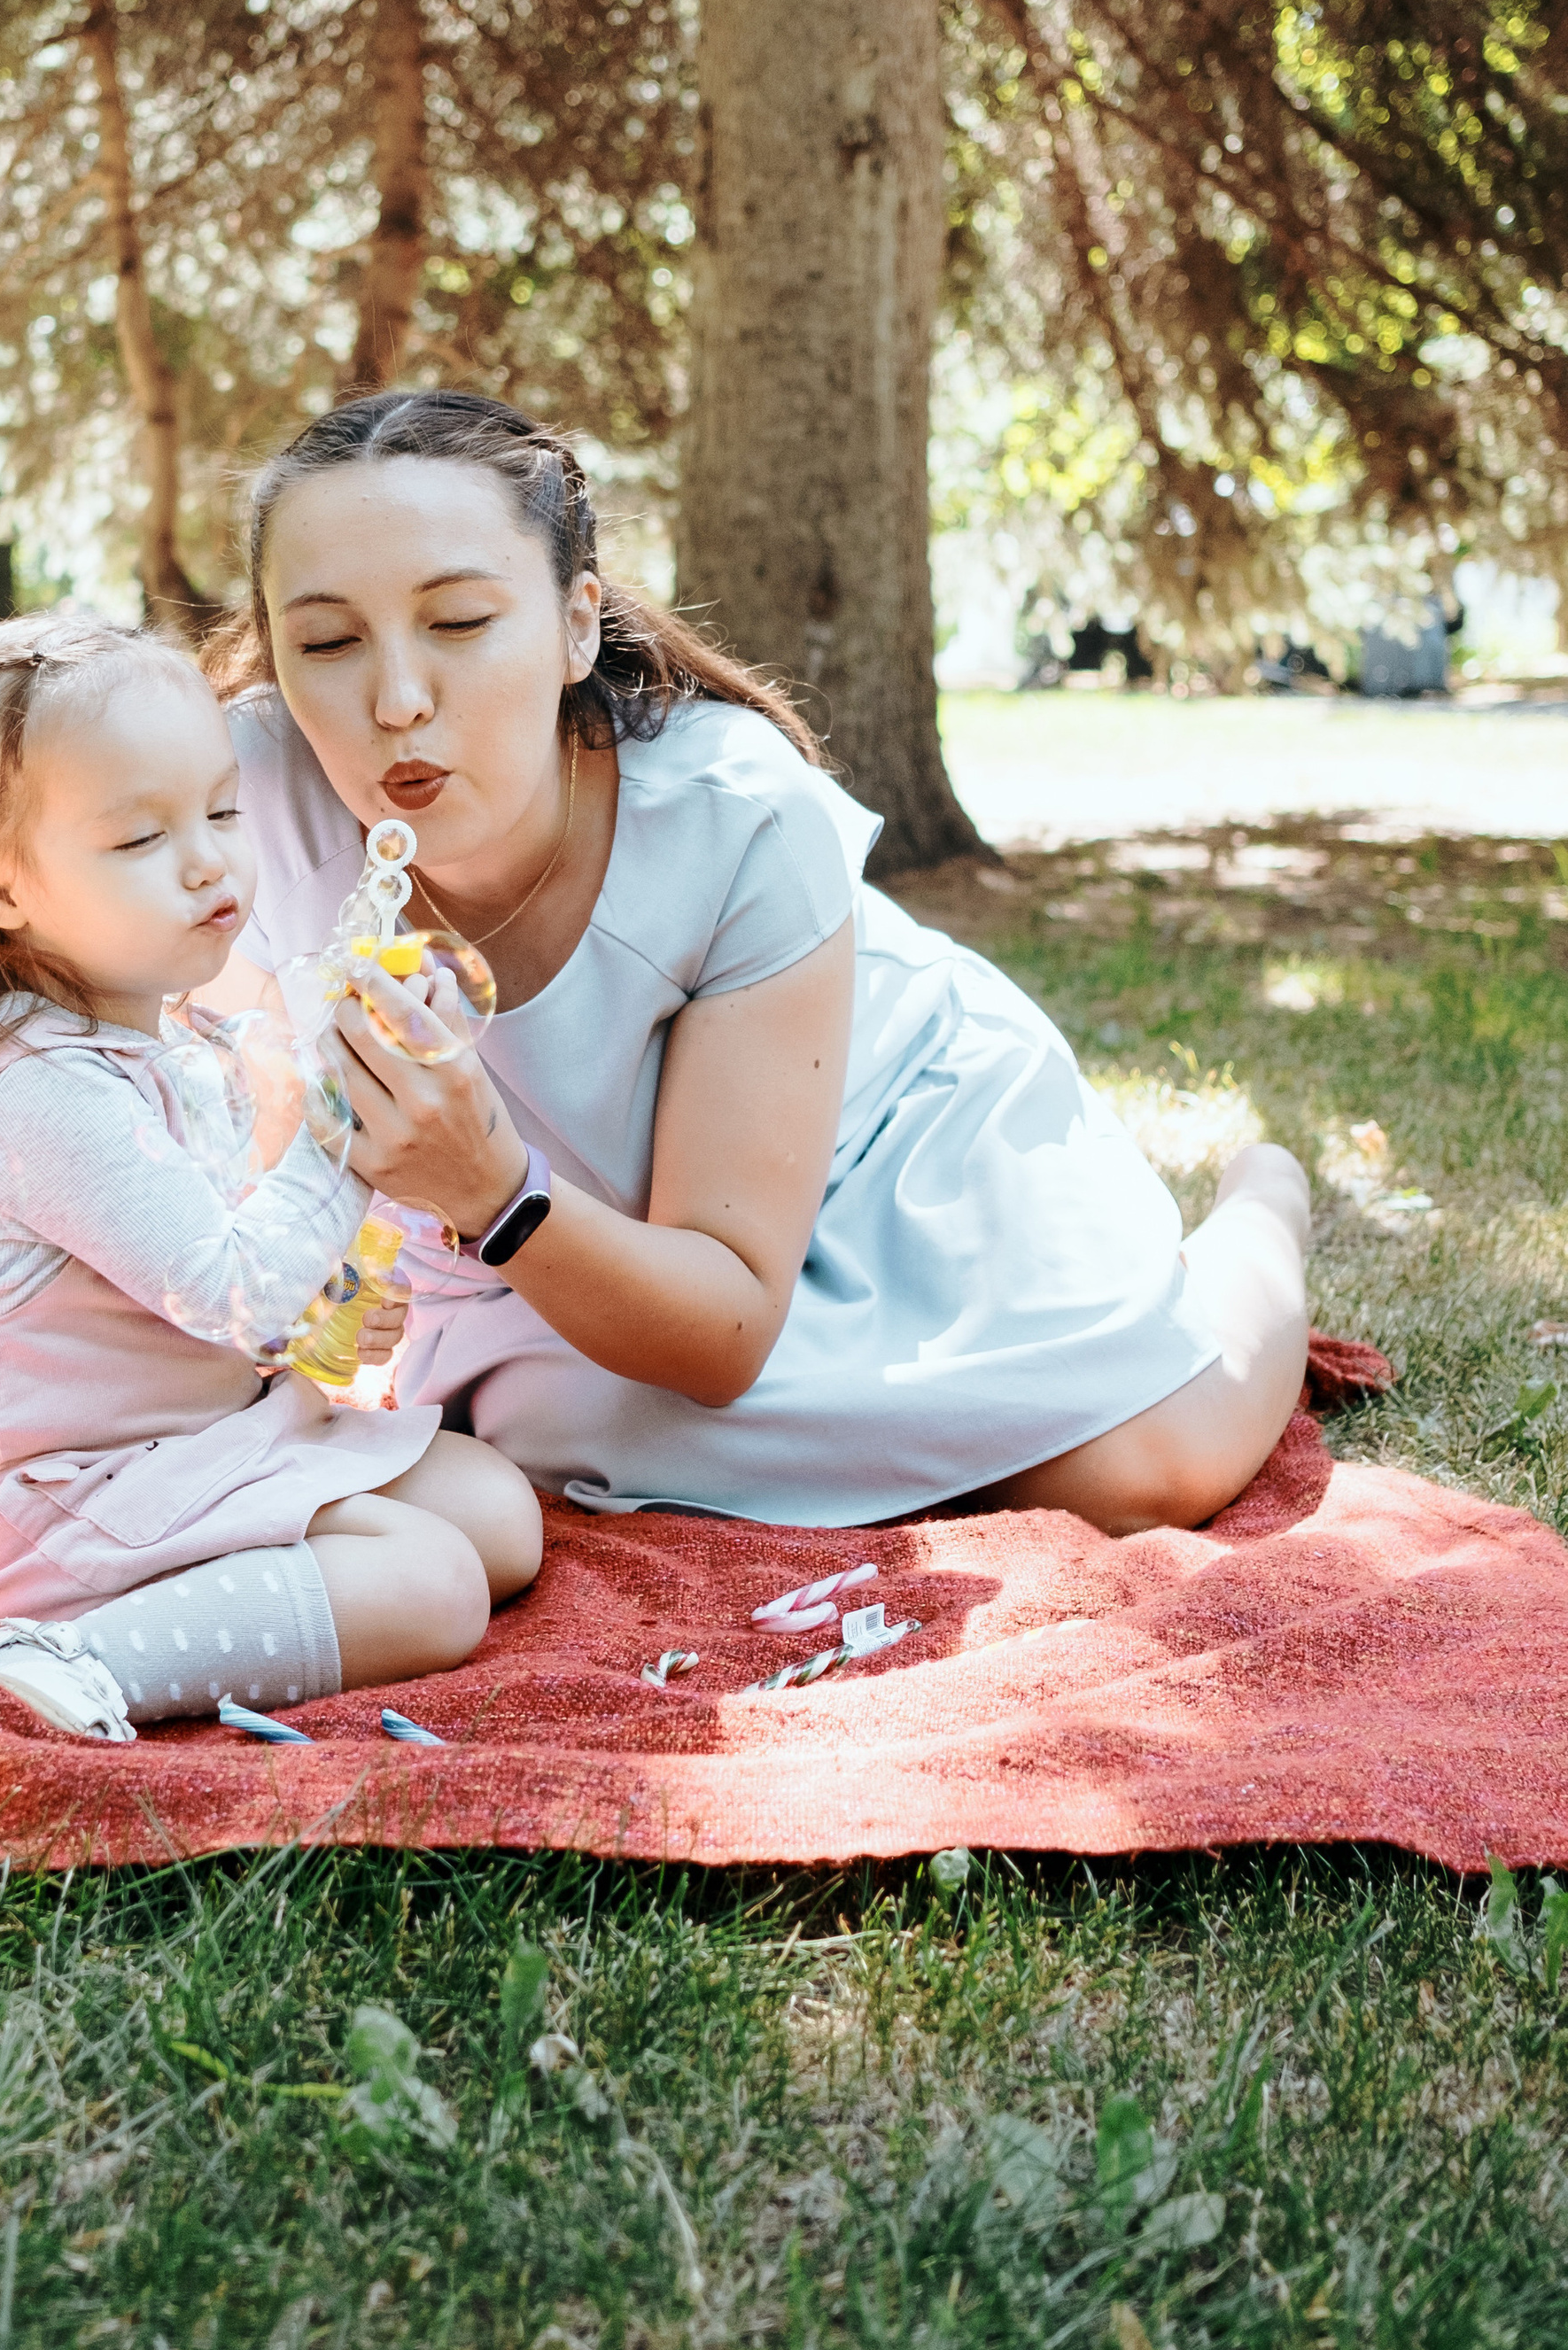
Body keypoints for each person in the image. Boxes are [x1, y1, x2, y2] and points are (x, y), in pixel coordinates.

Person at [207, 391, 1311, 1541]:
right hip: (549, 1243)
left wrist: (490, 1188)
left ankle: (1263, 1201)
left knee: (1151, 1468)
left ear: (577, 624)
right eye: (326, 643)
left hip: (885, 1143)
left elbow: (723, 1330)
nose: (396, 702)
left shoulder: (737, 817)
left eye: (459, 621)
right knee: (564, 1426)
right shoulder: (229, 807)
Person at [0, 612, 542, 1742]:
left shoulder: (167, 1031)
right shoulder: (40, 1094)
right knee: (435, 1587)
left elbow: (241, 1261)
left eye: (221, 810)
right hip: (57, 1511)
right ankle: (66, 1657)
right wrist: (344, 1122)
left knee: (497, 1514)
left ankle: (223, 1593)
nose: (209, 861)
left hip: (191, 1444)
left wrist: (337, 1284)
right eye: (140, 839)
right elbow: (237, 1294)